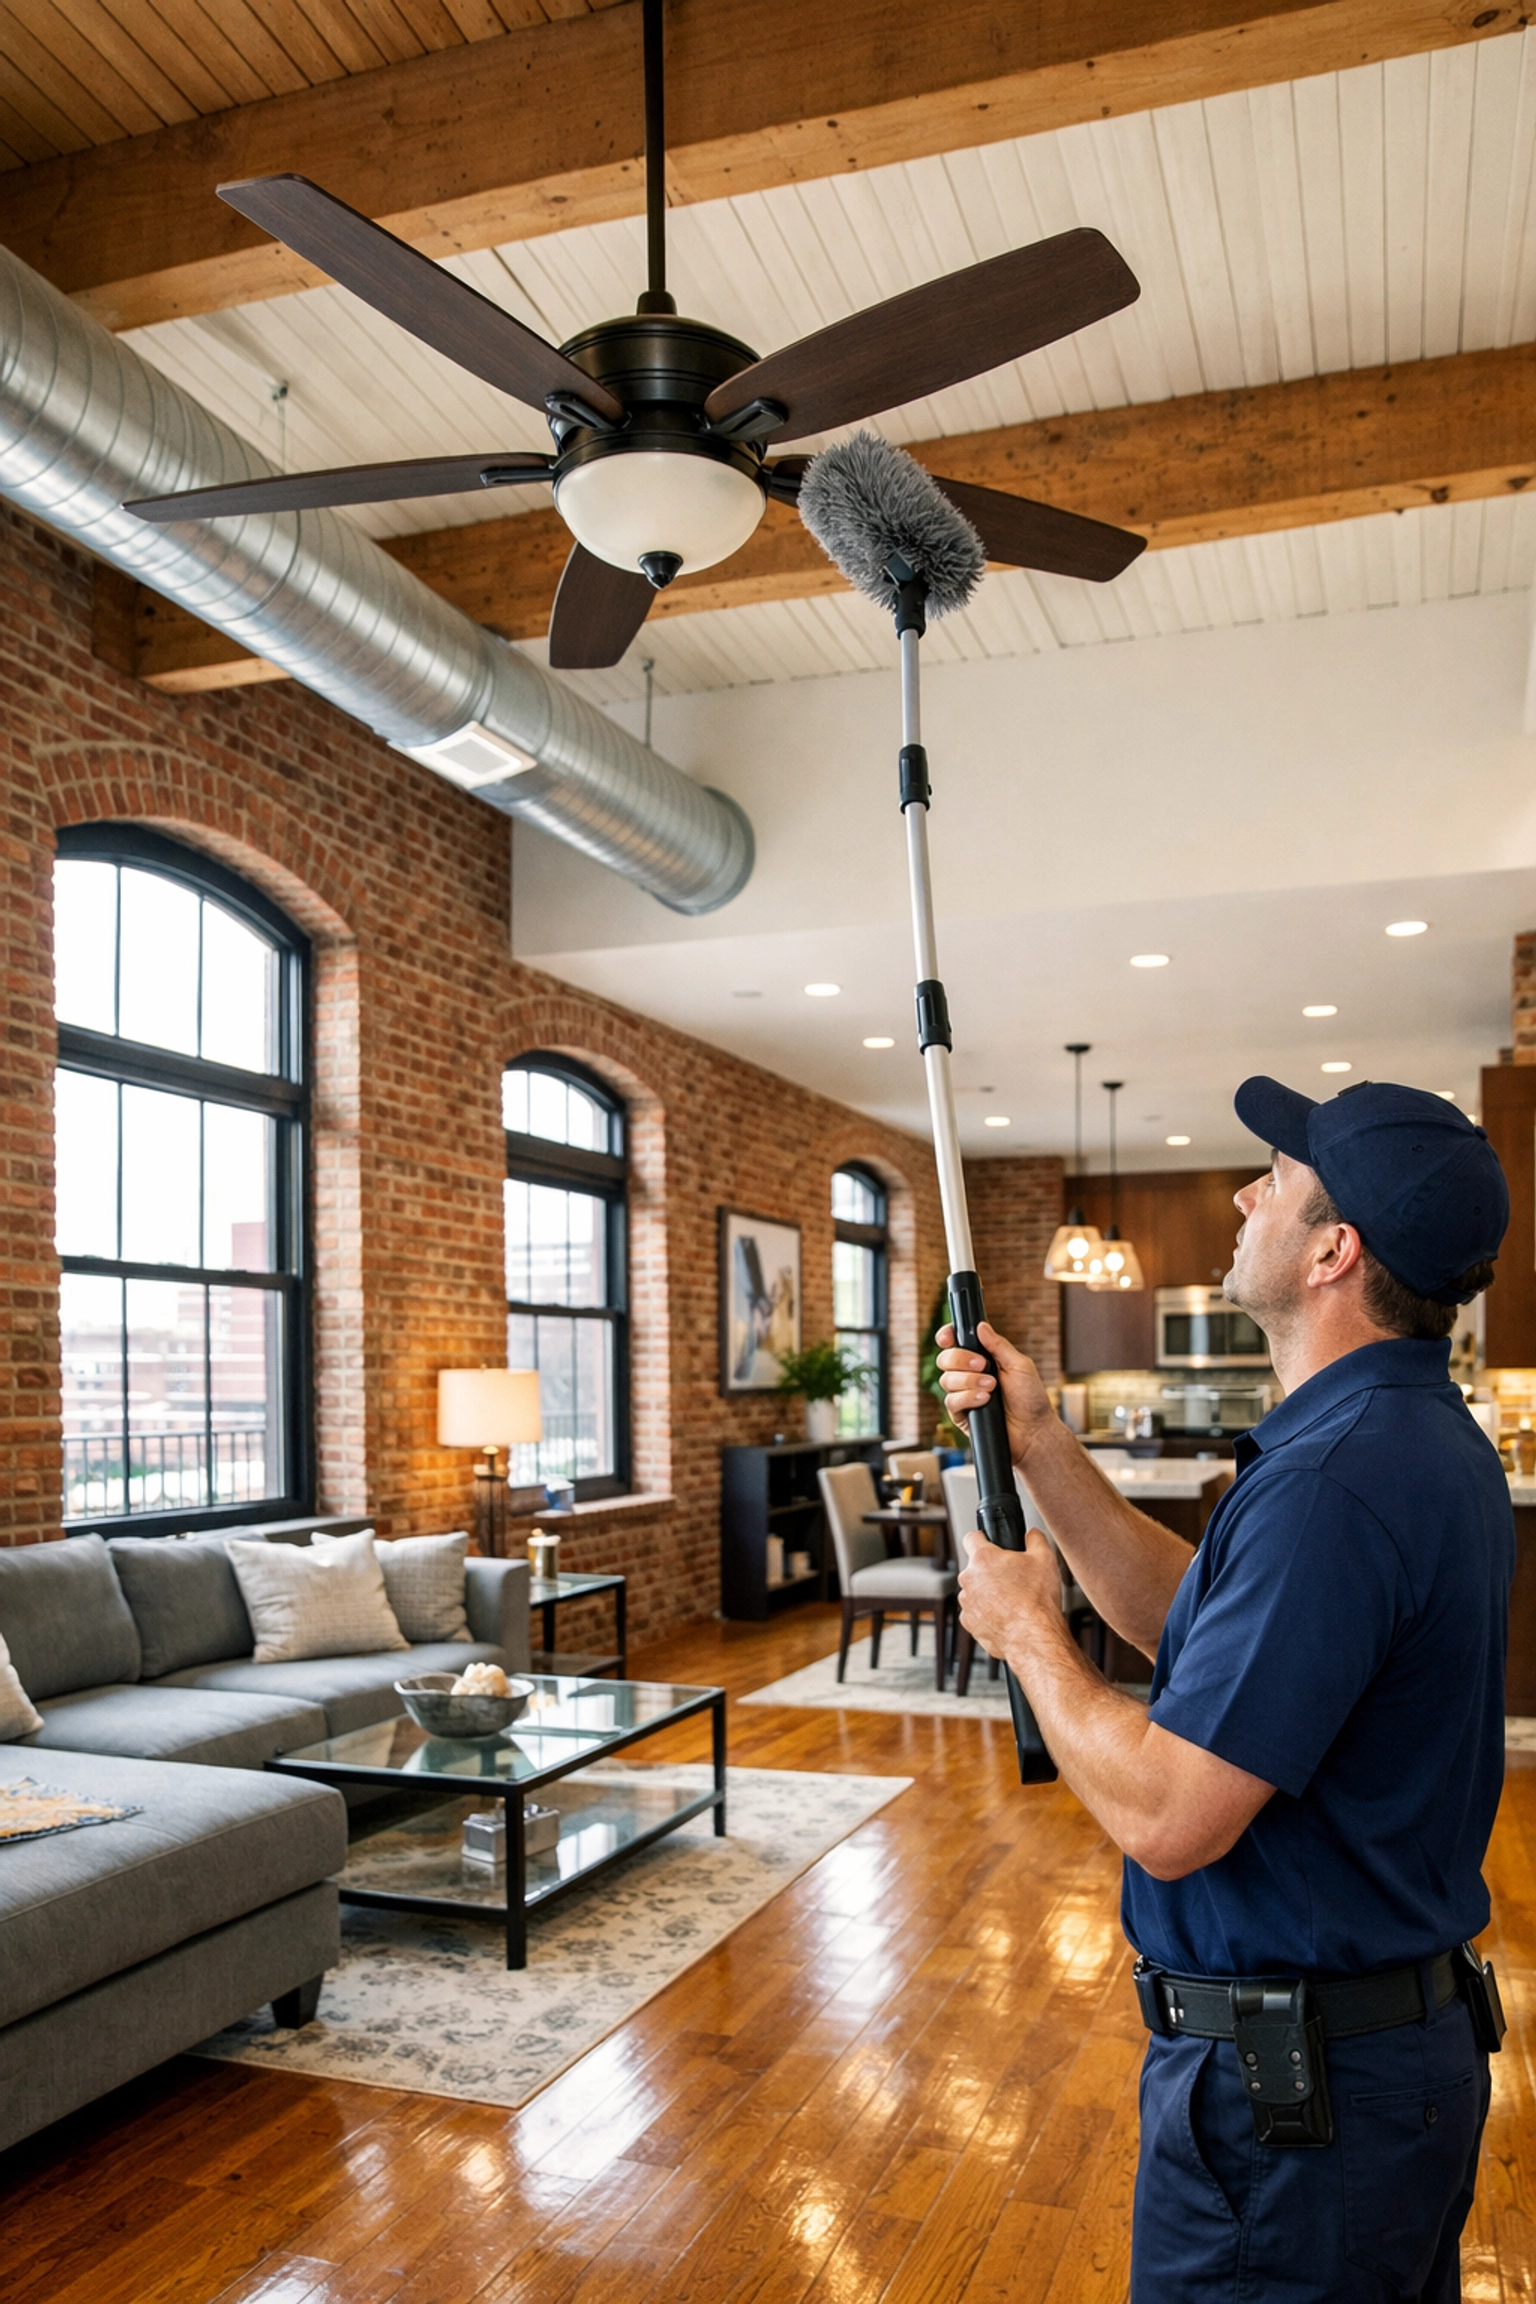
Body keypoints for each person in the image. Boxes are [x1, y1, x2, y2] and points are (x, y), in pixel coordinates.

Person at [937, 1076, 1514, 2303]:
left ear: (1334, 1251)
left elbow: (1169, 1814)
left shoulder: (1334, 1485)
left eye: (1279, 1180)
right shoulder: (1395, 1437)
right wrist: (1040, 1440)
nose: (1247, 1194)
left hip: (1299, 2114)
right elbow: (1210, 1632)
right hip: (1366, 2071)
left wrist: (1035, 1636)